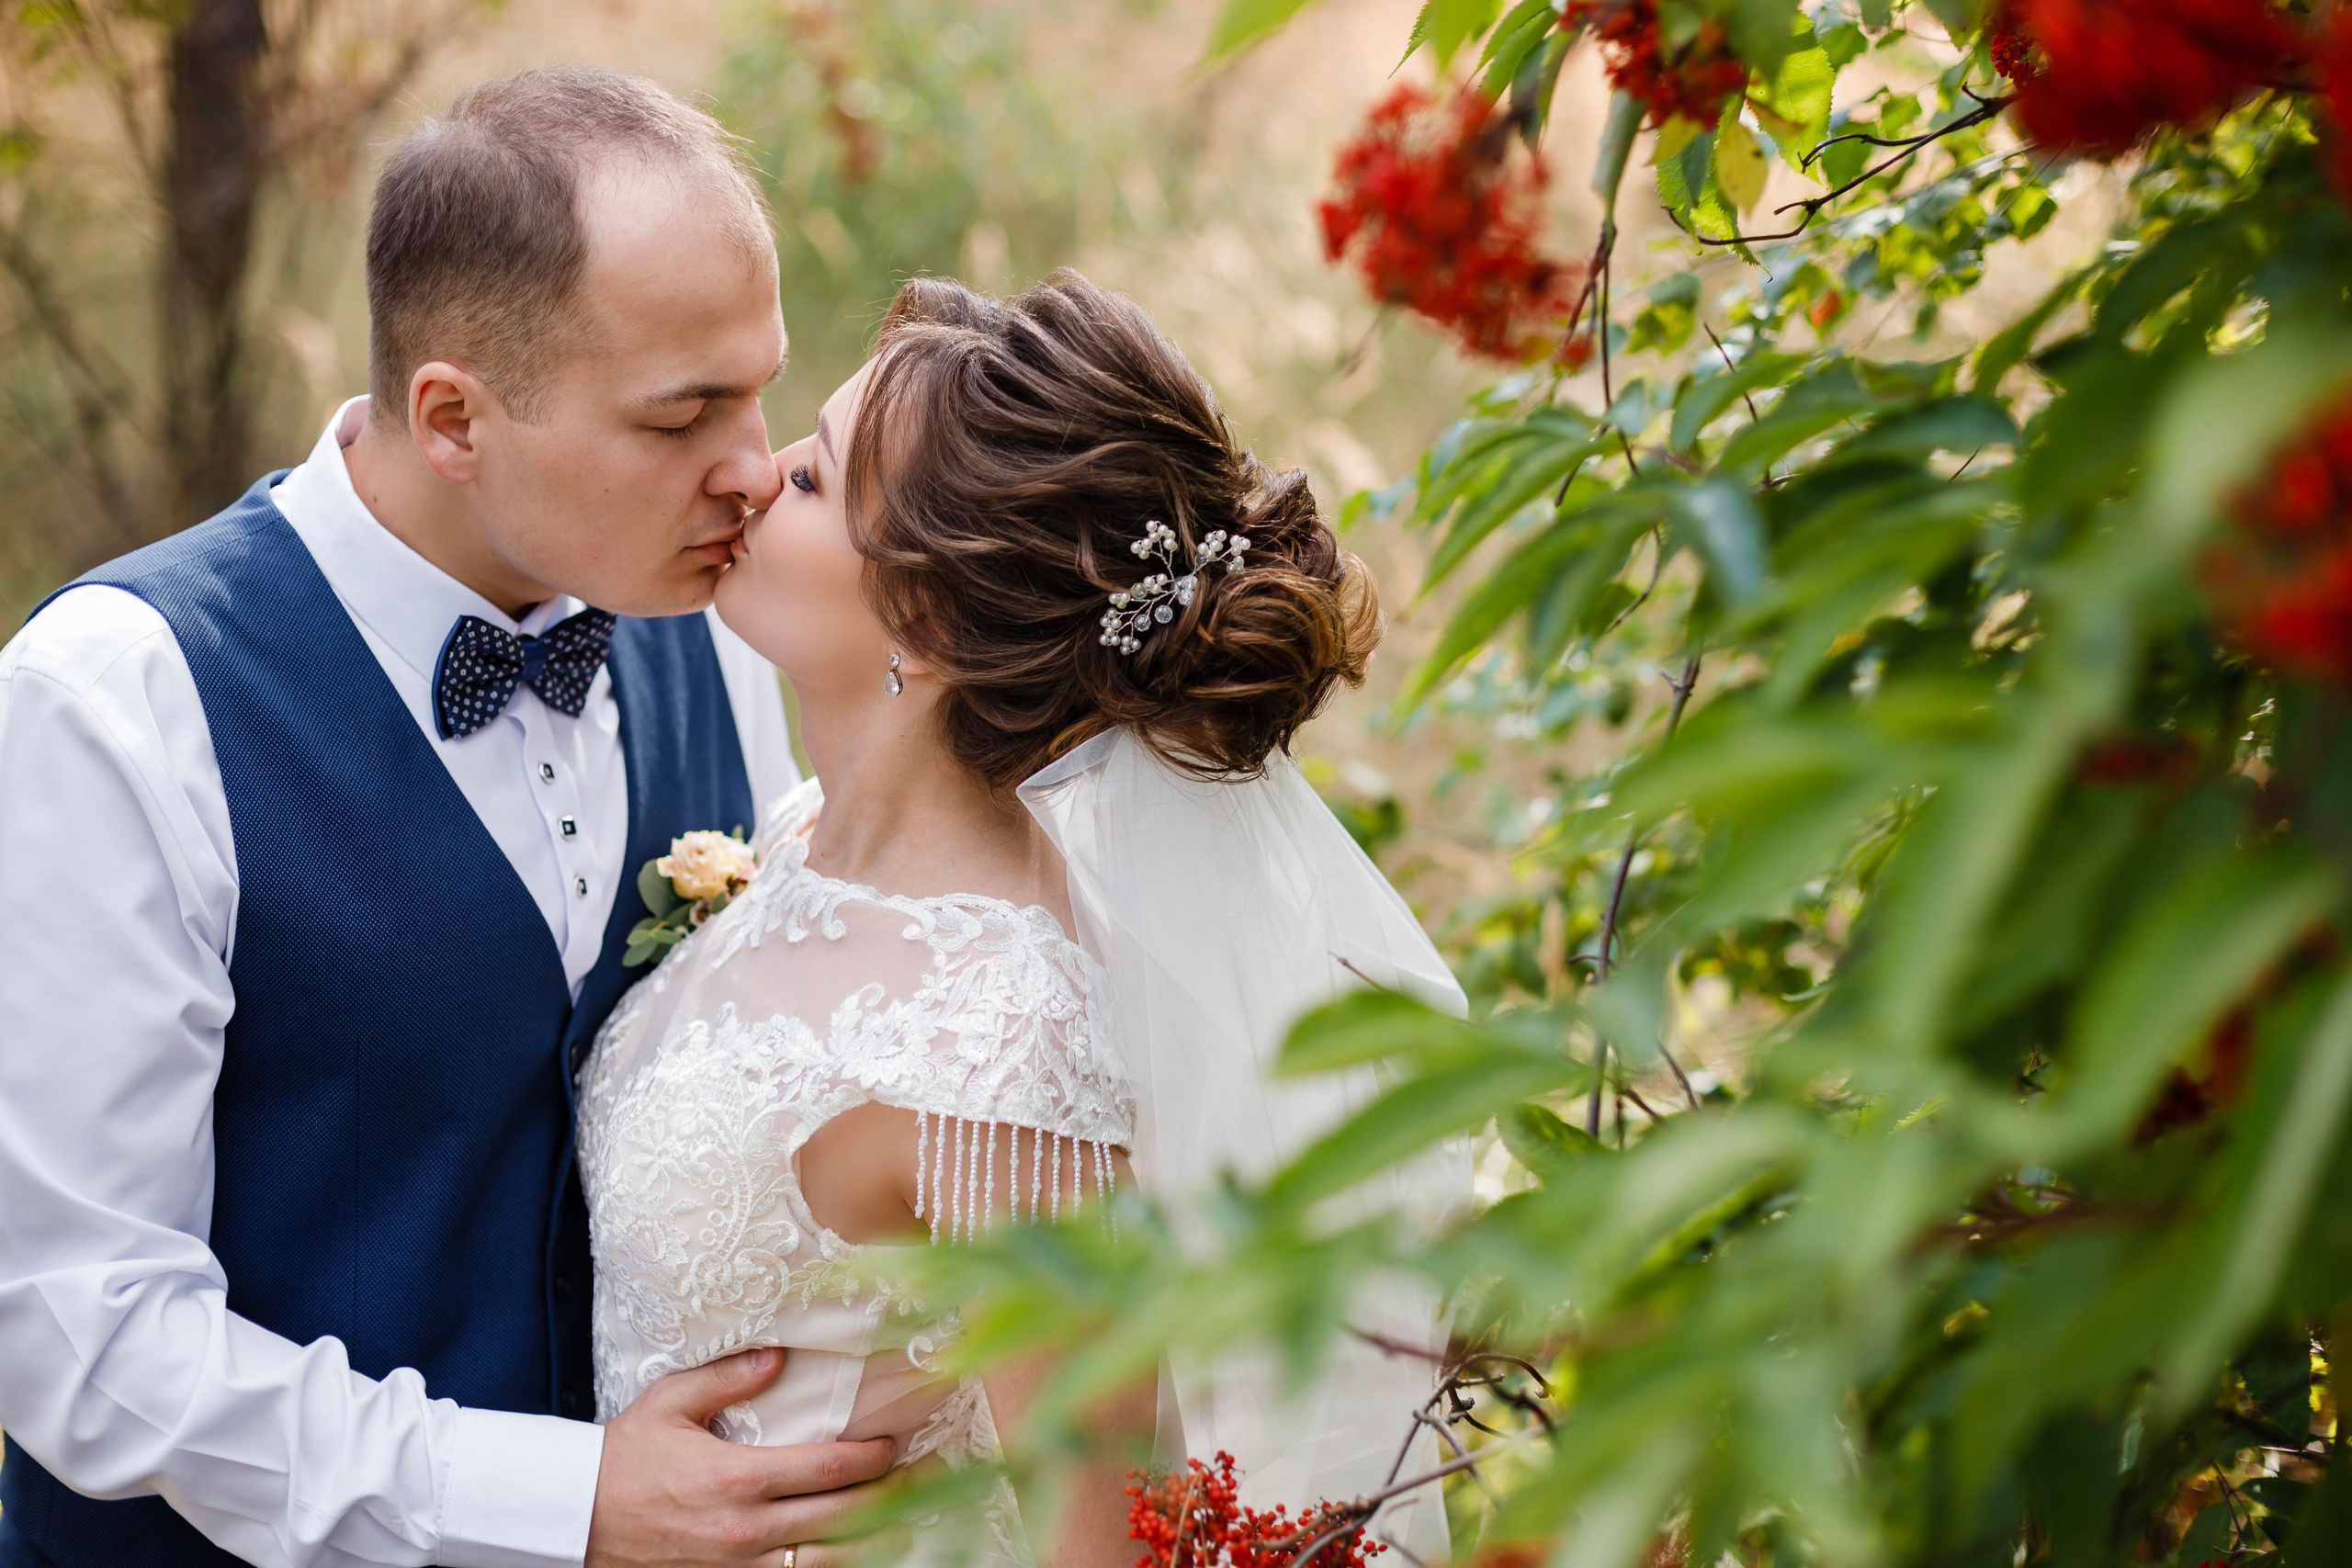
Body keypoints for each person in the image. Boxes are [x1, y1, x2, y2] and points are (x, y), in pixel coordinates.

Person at [0, 70, 895, 1568]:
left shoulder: (732, 632)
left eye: (759, 389)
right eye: (682, 414)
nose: (753, 468)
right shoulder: (116, 704)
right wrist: (564, 1505)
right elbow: (81, 1330)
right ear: (455, 416)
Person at [580, 270, 1467, 1568]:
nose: (757, 477)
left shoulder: (999, 1050)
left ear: (927, 620)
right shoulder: (796, 838)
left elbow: (1094, 1537)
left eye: (815, 480)